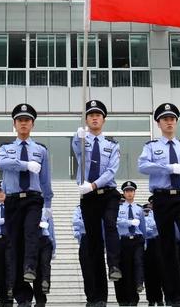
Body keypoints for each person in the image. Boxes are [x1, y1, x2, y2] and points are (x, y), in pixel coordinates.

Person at [138, 103, 180, 307]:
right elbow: (143, 166)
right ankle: (175, 296)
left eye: (172, 118)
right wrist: (166, 168)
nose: (169, 122)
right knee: (167, 246)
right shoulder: (151, 146)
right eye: (165, 119)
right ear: (158, 123)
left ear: (176, 122)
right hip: (162, 198)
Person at [0, 103, 53, 306]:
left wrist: (48, 204)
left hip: (33, 198)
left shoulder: (40, 150)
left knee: (31, 233)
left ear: (32, 124)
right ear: (14, 124)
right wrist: (24, 164)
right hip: (12, 199)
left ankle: (30, 268)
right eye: (20, 120)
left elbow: (46, 179)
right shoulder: (5, 148)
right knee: (15, 244)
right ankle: (22, 296)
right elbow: (1, 164)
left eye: (27, 120)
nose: (23, 123)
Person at [72, 100, 122, 306]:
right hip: (88, 197)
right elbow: (76, 151)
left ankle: (114, 265)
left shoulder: (112, 144)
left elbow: (112, 171)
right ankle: (99, 297)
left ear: (103, 120)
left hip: (107, 192)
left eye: (98, 115)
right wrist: (78, 137)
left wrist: (94, 185)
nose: (94, 118)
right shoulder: (81, 141)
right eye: (91, 115)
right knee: (93, 243)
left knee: (110, 225)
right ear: (86, 119)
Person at [115, 181, 146, 306]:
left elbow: (143, 226)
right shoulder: (119, 208)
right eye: (127, 191)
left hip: (137, 239)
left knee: (138, 262)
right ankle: (130, 297)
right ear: (124, 193)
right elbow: (116, 221)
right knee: (127, 268)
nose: (129, 193)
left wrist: (145, 241)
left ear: (134, 192)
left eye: (131, 191)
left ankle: (139, 284)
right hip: (124, 240)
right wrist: (128, 222)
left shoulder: (139, 208)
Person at [33, 208, 56, 306]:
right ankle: (40, 300)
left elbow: (50, 228)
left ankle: (46, 282)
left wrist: (54, 247)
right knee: (36, 270)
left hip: (45, 240)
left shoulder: (46, 211)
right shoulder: (27, 209)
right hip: (33, 242)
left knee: (45, 263)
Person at [143, 201, 164, 306]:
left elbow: (157, 226)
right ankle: (151, 299)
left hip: (158, 242)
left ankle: (159, 298)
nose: (152, 206)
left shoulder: (160, 214)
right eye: (151, 204)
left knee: (159, 271)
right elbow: (145, 228)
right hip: (147, 243)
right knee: (148, 273)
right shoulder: (146, 215)